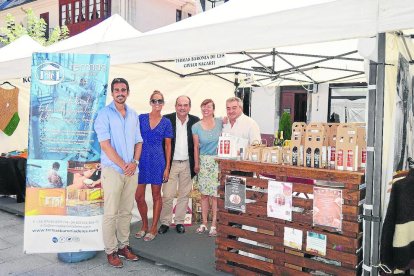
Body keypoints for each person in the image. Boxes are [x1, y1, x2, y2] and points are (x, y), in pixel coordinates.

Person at [94, 78, 142, 268]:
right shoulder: (103, 115)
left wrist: (135, 162)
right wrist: (124, 165)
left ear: (128, 92)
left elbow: (139, 141)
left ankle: (124, 246)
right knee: (111, 213)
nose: (120, 93)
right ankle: (110, 251)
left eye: (123, 90)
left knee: (126, 212)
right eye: (117, 90)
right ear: (112, 93)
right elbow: (105, 145)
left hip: (131, 170)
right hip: (113, 170)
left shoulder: (133, 115)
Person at [158, 96, 200, 235]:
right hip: (171, 164)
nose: (182, 108)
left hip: (187, 163)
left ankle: (179, 222)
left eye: (185, 105)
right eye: (180, 105)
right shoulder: (167, 119)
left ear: (189, 106)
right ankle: (165, 221)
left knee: (184, 194)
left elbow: (198, 142)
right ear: (175, 106)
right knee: (168, 194)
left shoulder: (195, 121)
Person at [135, 90, 173, 242]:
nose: (157, 103)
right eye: (154, 100)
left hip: (158, 161)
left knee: (156, 195)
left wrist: (167, 167)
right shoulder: (141, 118)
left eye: (160, 101)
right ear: (150, 102)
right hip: (141, 160)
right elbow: (135, 139)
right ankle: (144, 225)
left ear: (163, 103)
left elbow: (168, 146)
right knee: (138, 196)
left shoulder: (166, 122)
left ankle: (153, 227)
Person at [192, 99, 222, 237]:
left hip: (217, 162)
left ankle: (214, 224)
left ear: (213, 109)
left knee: (215, 195)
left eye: (209, 106)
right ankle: (204, 223)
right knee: (204, 195)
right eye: (203, 106)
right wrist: (197, 164)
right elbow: (196, 146)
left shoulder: (221, 122)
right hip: (204, 161)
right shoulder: (196, 126)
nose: (206, 109)